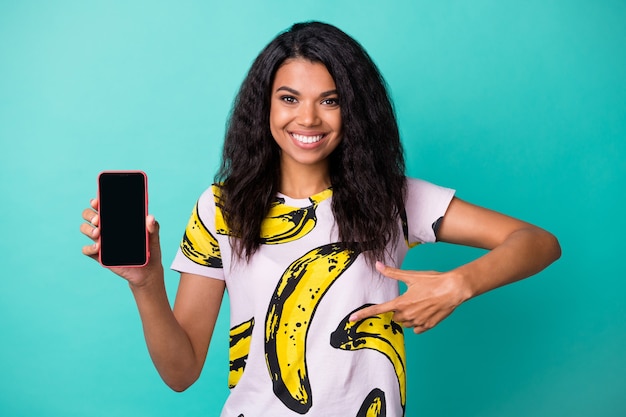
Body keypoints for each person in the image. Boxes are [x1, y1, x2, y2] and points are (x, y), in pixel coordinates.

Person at [80, 21, 561, 417]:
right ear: (264, 106)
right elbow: (181, 372)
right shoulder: (221, 208)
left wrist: (459, 284)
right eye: (289, 98)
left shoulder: (393, 199)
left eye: (330, 101)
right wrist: (146, 283)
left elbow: (537, 241)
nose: (308, 118)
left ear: (355, 110)